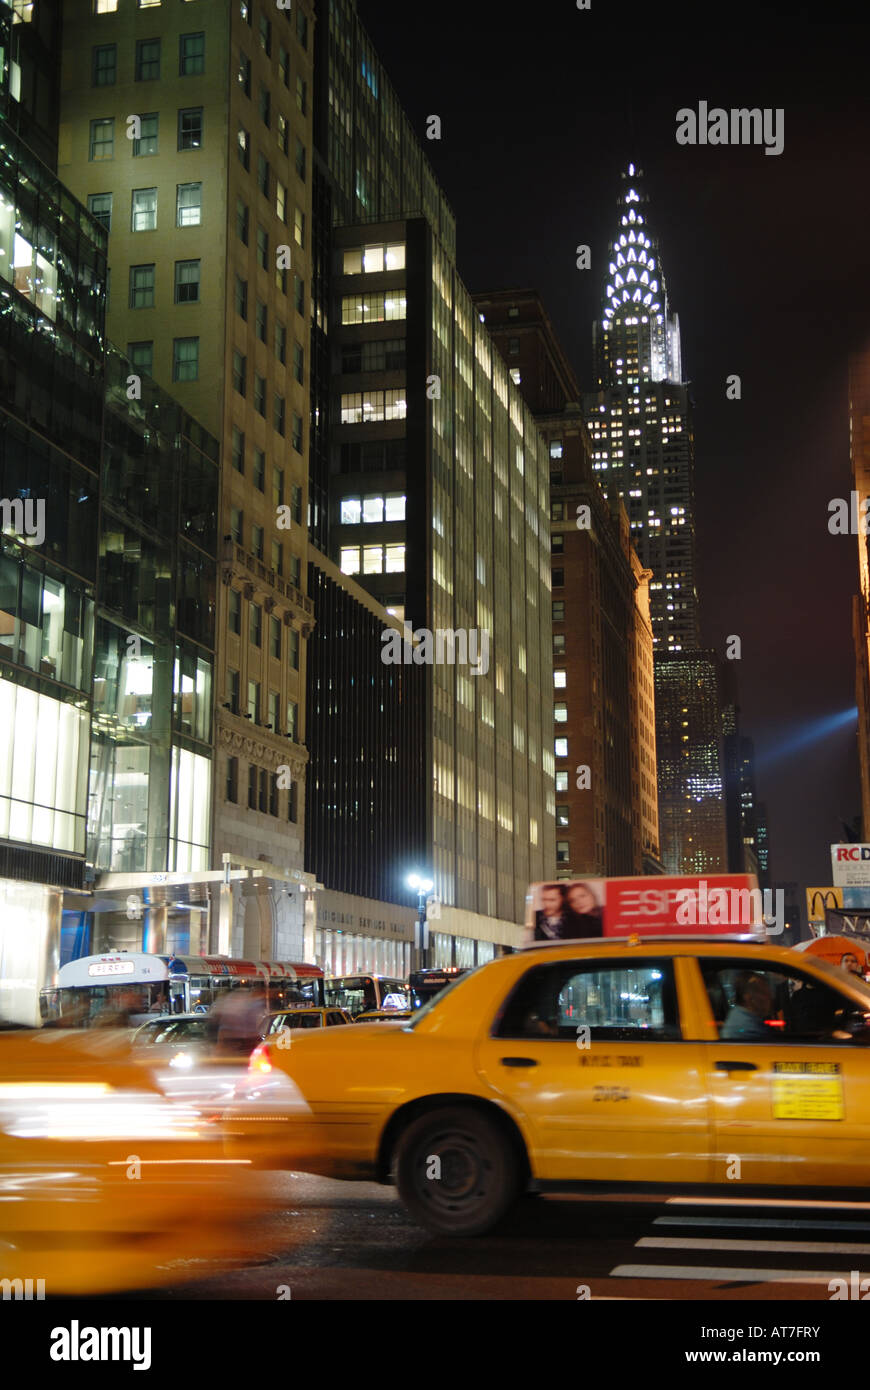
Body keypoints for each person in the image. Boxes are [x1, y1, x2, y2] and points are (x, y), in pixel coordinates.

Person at [719, 972, 776, 1041]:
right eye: (764, 992)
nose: (770, 997)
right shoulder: (749, 1028)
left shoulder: (741, 1017)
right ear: (748, 997)